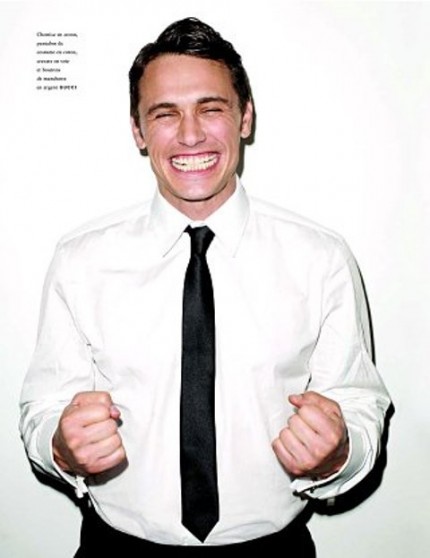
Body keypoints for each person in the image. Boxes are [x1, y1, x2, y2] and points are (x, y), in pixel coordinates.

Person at [19, 17, 391, 557]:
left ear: (245, 117)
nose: (190, 134)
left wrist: (340, 451)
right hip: (114, 549)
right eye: (164, 114)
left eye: (210, 108)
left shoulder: (321, 258)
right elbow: (43, 407)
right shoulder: (80, 260)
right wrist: (60, 445)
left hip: (274, 551)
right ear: (138, 131)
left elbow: (358, 403)